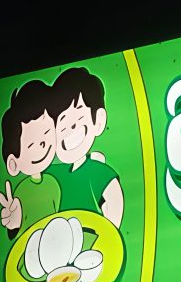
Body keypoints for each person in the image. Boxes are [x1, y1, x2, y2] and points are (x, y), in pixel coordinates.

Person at [45, 67, 124, 227]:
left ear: (98, 121)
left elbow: (114, 203)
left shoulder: (99, 172)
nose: (69, 130)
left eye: (77, 121)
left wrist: (108, 232)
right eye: (61, 125)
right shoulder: (53, 174)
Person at [0, 80, 62, 239]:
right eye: (31, 145)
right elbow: (16, 232)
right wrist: (13, 225)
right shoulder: (21, 192)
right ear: (13, 163)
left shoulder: (54, 183)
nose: (42, 148)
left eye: (47, 136)